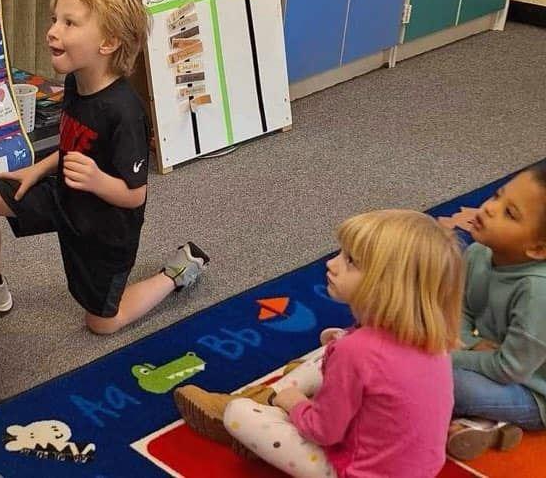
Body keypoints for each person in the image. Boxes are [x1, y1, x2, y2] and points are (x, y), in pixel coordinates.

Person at [0, 0, 209, 334]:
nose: (52, 31)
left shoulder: (125, 112)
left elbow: (135, 195)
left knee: (102, 323)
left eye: (69, 23)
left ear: (108, 42)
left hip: (104, 225)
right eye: (54, 19)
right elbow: (76, 144)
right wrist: (39, 168)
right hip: (64, 193)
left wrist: (96, 180)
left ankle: (177, 272)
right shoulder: (76, 81)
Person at [175, 209, 464, 478]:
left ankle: (259, 401)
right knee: (332, 348)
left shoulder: (355, 351)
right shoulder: (432, 338)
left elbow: (324, 432)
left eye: (350, 261)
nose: (331, 263)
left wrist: (294, 404)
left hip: (358, 471)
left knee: (238, 413)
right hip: (419, 468)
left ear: (387, 286)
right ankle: (267, 397)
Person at [447, 160, 546, 461]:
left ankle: (492, 423)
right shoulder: (480, 251)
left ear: (538, 249)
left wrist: (449, 356)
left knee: (445, 380)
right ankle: (492, 426)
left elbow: (510, 369)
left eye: (509, 213)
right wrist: (469, 343)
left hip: (534, 392)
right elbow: (459, 308)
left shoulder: (537, 292)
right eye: (497, 195)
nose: (490, 208)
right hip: (494, 360)